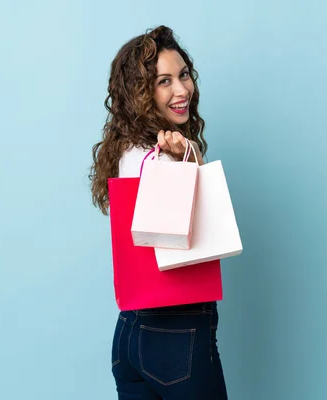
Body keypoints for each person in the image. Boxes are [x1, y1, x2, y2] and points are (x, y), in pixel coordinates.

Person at [90, 26, 228, 400]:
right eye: (164, 81)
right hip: (177, 335)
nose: (182, 90)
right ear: (141, 93)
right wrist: (188, 160)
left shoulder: (125, 150)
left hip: (129, 335)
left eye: (183, 75)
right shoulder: (164, 155)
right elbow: (188, 229)